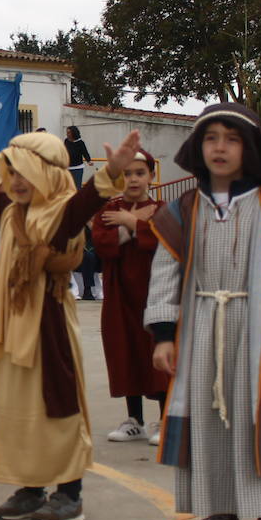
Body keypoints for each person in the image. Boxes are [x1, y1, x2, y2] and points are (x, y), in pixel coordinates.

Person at [0, 123, 140, 520]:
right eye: (11, 172)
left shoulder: (60, 212)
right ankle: (30, 488)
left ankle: (70, 492)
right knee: (16, 409)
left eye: (25, 172)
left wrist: (111, 171)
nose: (16, 181)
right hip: (11, 328)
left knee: (57, 406)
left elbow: (85, 202)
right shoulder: (9, 212)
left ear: (47, 172)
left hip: (49, 328)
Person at [146, 103, 261, 520]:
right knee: (206, 417)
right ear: (198, 147)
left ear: (251, 149)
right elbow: (165, 273)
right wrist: (164, 332)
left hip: (256, 330)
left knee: (257, 419)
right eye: (211, 138)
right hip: (201, 326)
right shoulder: (183, 209)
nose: (219, 147)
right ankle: (220, 512)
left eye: (232, 138)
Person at [91, 151, 170, 445]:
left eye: (139, 173)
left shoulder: (163, 209)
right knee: (125, 351)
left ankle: (164, 419)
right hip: (120, 294)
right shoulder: (108, 209)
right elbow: (102, 243)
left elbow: (168, 238)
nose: (133, 179)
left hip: (157, 292)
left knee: (158, 351)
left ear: (151, 176)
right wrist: (133, 221)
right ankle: (133, 419)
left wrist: (129, 223)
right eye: (126, 173)